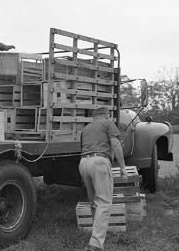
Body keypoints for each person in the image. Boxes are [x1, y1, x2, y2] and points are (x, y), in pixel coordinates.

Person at [78, 107, 128, 251]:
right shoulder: (108, 123)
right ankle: (95, 244)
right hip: (99, 162)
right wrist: (123, 167)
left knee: (94, 202)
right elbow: (116, 144)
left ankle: (96, 235)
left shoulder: (86, 128)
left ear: (94, 116)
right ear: (107, 115)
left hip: (83, 163)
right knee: (104, 203)